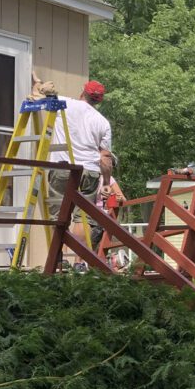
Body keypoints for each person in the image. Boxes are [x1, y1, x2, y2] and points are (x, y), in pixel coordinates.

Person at [46, 77, 112, 266]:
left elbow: (39, 97)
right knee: (83, 216)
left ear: (82, 92)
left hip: (64, 167)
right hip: (90, 171)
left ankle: (57, 259)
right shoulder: (102, 122)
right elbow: (105, 157)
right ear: (99, 101)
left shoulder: (65, 104)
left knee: (59, 213)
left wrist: (38, 85)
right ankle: (79, 261)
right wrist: (106, 183)